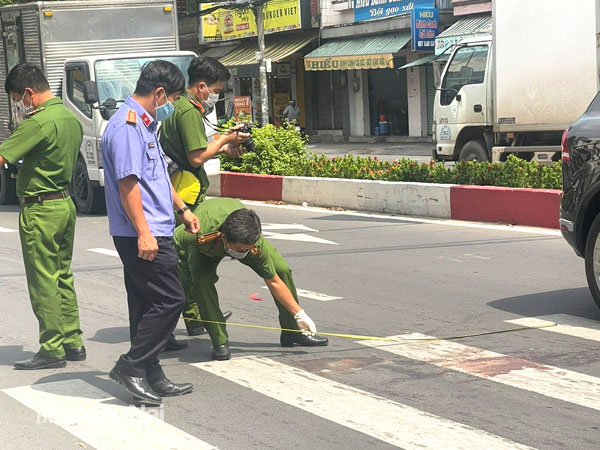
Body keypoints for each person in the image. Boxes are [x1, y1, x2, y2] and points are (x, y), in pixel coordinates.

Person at [101, 60, 200, 405]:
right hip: (142, 233)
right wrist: (144, 232)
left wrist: (183, 209)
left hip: (156, 225)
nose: (171, 104)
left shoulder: (145, 123)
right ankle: (131, 367)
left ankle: (150, 373)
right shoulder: (128, 127)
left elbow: (155, 176)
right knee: (171, 299)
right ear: (158, 93)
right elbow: (128, 183)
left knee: (144, 302)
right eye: (171, 97)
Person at [0, 64, 85, 370]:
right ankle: (73, 341)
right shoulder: (69, 118)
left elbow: (3, 156)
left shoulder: (37, 123)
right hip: (64, 204)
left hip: (40, 209)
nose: (18, 105)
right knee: (63, 274)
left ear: (28, 93)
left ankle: (51, 348)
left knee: (43, 280)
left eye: (16, 98)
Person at [174, 197, 329, 361]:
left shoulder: (253, 243)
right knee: (201, 282)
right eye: (240, 250)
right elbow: (171, 245)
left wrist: (299, 314)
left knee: (281, 269)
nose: (244, 253)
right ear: (224, 238)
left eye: (248, 249)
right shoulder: (198, 231)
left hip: (237, 236)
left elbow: (274, 280)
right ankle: (219, 341)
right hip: (206, 249)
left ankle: (292, 332)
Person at [160, 56, 248, 340]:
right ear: (201, 86)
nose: (216, 95)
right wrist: (225, 140)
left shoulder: (181, 107)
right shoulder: (187, 111)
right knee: (189, 257)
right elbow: (195, 157)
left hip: (182, 185)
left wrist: (224, 149)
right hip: (185, 191)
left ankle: (196, 316)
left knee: (186, 257)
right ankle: (197, 316)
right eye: (216, 90)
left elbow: (194, 151)